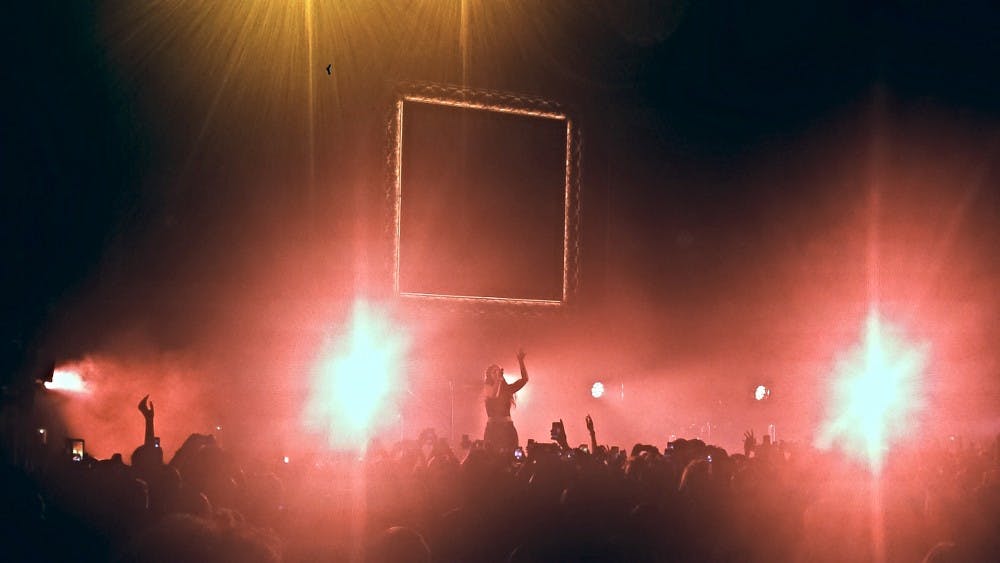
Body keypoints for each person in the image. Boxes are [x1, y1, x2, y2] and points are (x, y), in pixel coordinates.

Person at [482, 349, 528, 453]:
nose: (497, 373)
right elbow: (494, 395)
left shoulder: (507, 389)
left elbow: (525, 379)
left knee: (512, 455)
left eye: (498, 371)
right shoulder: (487, 388)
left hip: (508, 428)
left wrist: (521, 361)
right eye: (494, 372)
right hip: (493, 429)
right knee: (491, 456)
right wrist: (498, 380)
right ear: (489, 375)